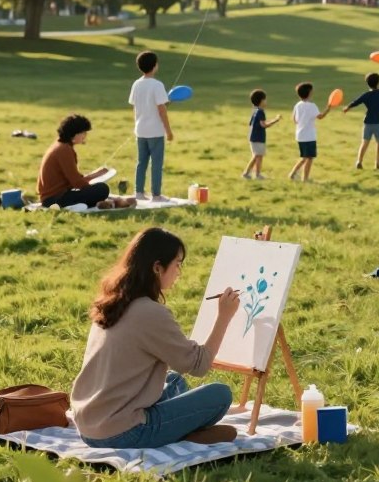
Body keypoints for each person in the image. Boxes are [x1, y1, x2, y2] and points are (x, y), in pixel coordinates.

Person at [71, 227, 242, 448]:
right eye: (177, 264)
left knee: (174, 381)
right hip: (123, 431)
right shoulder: (150, 312)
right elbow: (199, 365)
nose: (179, 272)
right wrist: (224, 317)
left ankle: (178, 431)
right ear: (157, 267)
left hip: (88, 422)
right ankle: (180, 434)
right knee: (220, 394)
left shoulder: (113, 301)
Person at [37, 114, 135, 210]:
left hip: (52, 197)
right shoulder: (64, 150)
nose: (85, 136)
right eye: (83, 133)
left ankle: (85, 203)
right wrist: (94, 182)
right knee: (102, 189)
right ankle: (73, 206)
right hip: (55, 199)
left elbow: (74, 179)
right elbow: (77, 183)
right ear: (75, 133)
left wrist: (96, 174)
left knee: (97, 190)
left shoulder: (60, 146)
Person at [128, 50, 173, 202]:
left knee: (141, 163)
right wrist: (169, 131)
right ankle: (156, 195)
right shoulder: (157, 85)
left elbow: (136, 107)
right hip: (155, 131)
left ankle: (139, 193)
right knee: (156, 163)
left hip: (140, 130)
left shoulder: (136, 84)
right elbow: (162, 110)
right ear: (154, 66)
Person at [343, 63, 379, 170]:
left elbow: (355, 102)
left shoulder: (366, 95)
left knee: (365, 142)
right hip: (378, 123)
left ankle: (359, 161)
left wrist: (347, 107)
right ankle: (378, 164)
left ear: (367, 83)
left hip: (367, 122)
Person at [288, 82, 331, 182]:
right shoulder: (312, 106)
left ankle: (292, 174)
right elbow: (320, 117)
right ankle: (305, 179)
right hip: (309, 136)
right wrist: (328, 108)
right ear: (309, 93)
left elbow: (294, 119)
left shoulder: (297, 105)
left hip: (300, 135)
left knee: (304, 157)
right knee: (309, 158)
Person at [242, 89, 281, 180]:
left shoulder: (255, 110)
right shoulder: (260, 112)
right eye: (265, 99)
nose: (266, 101)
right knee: (258, 156)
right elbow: (264, 125)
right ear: (261, 101)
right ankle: (255, 174)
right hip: (258, 138)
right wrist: (276, 120)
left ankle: (250, 173)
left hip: (253, 137)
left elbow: (251, 123)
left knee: (257, 156)